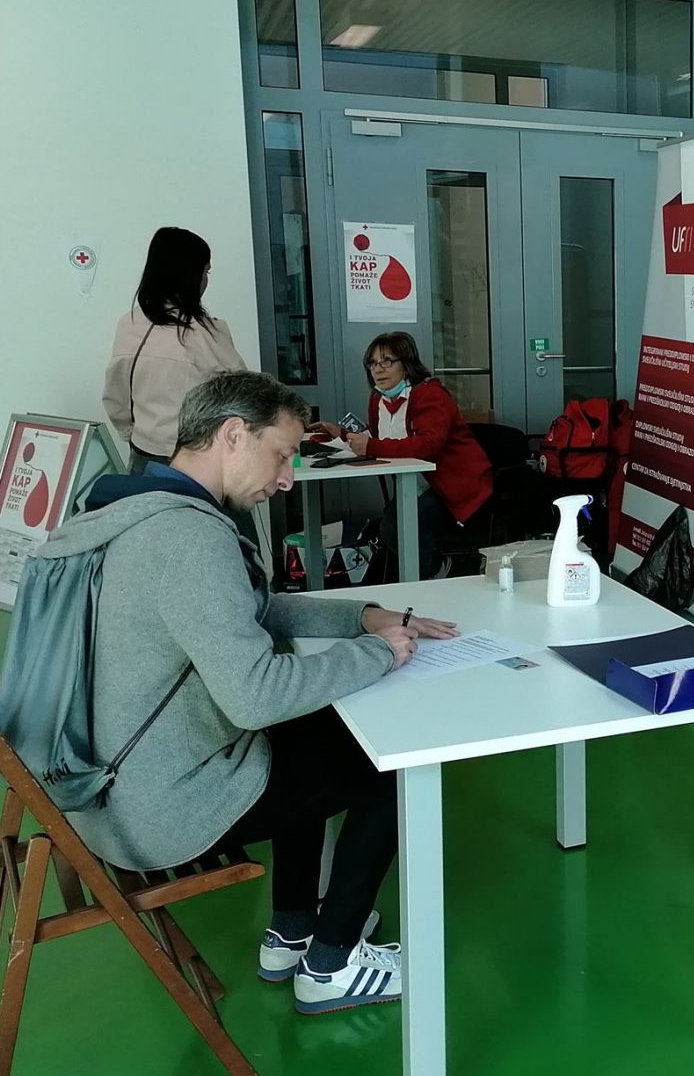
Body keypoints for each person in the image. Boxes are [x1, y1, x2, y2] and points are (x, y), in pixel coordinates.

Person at [30, 371, 457, 1014]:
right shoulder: (189, 539)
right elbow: (256, 698)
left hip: (104, 791)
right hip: (159, 812)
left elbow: (247, 609)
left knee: (308, 732)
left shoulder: (131, 507)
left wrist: (362, 616)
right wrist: (378, 652)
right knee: (389, 761)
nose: (286, 478)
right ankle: (332, 964)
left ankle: (294, 930)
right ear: (233, 436)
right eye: (282, 454)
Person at [311, 331, 494, 581]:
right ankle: (433, 571)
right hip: (416, 484)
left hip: (453, 486)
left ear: (406, 364)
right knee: (392, 527)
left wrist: (372, 447)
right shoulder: (378, 398)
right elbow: (378, 436)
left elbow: (428, 444)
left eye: (387, 361)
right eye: (372, 363)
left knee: (397, 527)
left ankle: (433, 576)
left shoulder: (430, 394)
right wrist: (342, 434)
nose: (378, 369)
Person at [103, 227, 246, 476]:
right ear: (190, 276)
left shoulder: (130, 323)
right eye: (206, 271)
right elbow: (243, 395)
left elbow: (116, 397)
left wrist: (132, 433)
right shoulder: (209, 333)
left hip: (144, 458)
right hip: (199, 462)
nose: (206, 280)